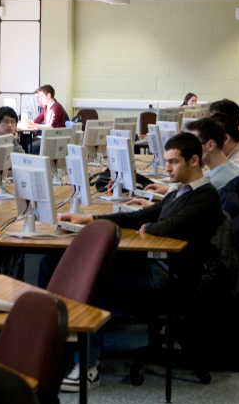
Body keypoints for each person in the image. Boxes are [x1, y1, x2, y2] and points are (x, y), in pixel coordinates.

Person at [54, 132, 226, 390]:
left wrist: (150, 227)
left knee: (94, 282)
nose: (166, 168)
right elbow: (143, 217)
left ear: (194, 161)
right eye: (166, 161)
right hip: (156, 263)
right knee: (54, 263)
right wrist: (90, 221)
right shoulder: (180, 190)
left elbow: (171, 226)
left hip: (174, 274)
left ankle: (87, 370)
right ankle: (60, 351)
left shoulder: (205, 196)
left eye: (173, 162)